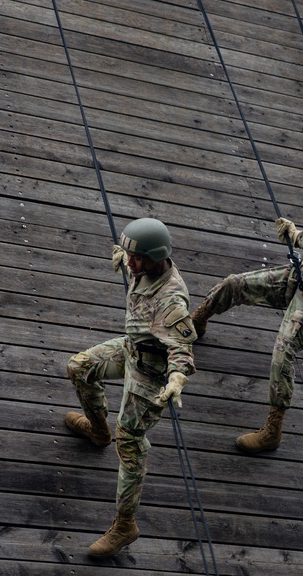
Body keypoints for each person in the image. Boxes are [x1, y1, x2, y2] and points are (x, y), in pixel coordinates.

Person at [64, 218, 197, 558]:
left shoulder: (171, 301)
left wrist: (178, 378)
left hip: (151, 373)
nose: (130, 261)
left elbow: (182, 349)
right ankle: (97, 430)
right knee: (79, 367)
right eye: (129, 255)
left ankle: (125, 525)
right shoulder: (144, 263)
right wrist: (123, 254)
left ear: (155, 257)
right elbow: (132, 258)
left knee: (130, 441)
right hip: (131, 349)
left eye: (135, 257)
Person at [190, 209, 303, 454]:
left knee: (283, 351)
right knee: (233, 283)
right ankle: (198, 320)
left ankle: (272, 430)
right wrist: (293, 233)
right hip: (295, 277)